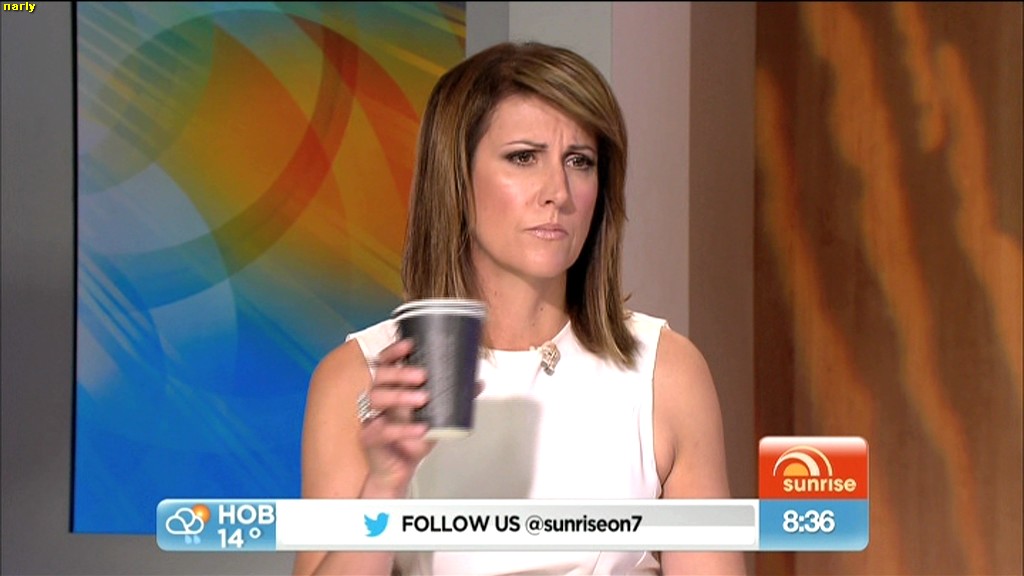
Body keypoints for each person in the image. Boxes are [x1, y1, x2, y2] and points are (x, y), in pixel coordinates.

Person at [293, 41, 745, 576]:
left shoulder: (667, 373)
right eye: (524, 158)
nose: (558, 192)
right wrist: (385, 487)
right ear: (456, 178)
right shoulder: (358, 380)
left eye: (580, 162)